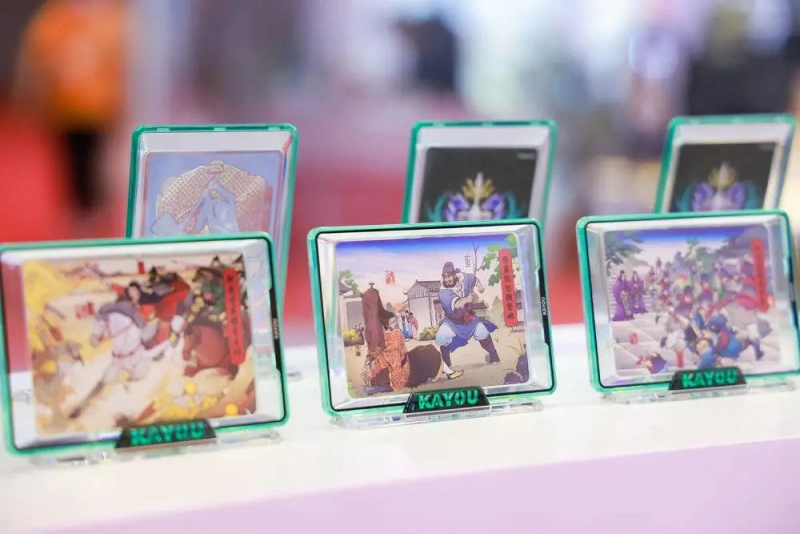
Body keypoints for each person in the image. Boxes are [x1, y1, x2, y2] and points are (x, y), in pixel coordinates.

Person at [435, 261, 499, 374]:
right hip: (452, 322)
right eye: (445, 277)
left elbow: (474, 279)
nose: (447, 280)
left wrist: (480, 288)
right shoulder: (443, 291)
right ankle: (447, 365)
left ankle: (494, 356)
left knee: (482, 332)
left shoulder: (464, 278)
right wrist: (466, 299)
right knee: (441, 337)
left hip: (469, 318)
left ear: (454, 275)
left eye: (449, 276)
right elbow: (456, 304)